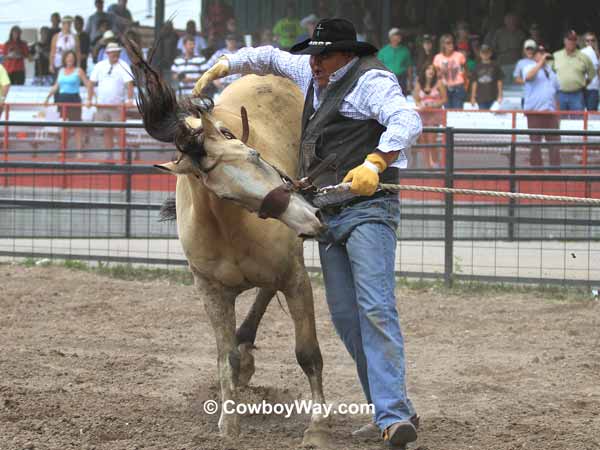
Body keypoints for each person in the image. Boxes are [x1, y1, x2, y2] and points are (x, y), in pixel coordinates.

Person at [192, 17, 422, 448]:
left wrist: (376, 163)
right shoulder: (311, 72)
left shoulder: (371, 82)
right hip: (330, 215)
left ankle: (391, 417)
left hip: (369, 209)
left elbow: (406, 119)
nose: (314, 63)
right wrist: (224, 66)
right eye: (313, 55)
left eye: (323, 55)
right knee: (347, 317)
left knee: (374, 308)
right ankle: (391, 410)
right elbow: (268, 57)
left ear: (346, 56)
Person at [88, 42, 134, 157]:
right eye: (113, 52)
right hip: (102, 105)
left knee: (120, 131)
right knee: (106, 131)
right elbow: (91, 82)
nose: (116, 54)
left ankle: (123, 157)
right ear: (108, 53)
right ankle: (110, 157)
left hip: (117, 105)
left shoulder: (124, 65)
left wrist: (129, 99)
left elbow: (129, 83)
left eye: (117, 52)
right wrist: (89, 99)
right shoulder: (99, 65)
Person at [44, 50, 91, 156]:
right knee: (64, 127)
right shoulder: (61, 71)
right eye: (68, 57)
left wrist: (89, 99)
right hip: (62, 99)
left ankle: (79, 151)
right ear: (64, 59)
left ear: (74, 59)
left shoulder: (79, 70)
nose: (70, 59)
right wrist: (47, 98)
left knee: (77, 126)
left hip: (74, 99)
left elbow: (88, 84)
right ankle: (63, 150)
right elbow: (56, 86)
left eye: (72, 57)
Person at [521, 45, 560, 167]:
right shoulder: (528, 67)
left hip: (550, 112)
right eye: (540, 53)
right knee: (535, 144)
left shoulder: (551, 71)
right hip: (535, 112)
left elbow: (556, 91)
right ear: (535, 55)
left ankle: (555, 171)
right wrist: (540, 63)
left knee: (554, 144)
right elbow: (528, 77)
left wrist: (557, 113)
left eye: (544, 53)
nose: (543, 55)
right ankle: (536, 172)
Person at [413, 63, 447, 168]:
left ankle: (436, 163)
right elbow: (416, 99)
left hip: (434, 115)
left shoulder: (439, 83)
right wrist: (420, 105)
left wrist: (435, 104)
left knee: (432, 139)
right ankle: (427, 165)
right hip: (423, 115)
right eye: (428, 68)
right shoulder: (419, 83)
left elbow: (445, 98)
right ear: (424, 71)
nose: (430, 71)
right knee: (423, 141)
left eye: (432, 69)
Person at [552, 30, 595, 111]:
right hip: (560, 94)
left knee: (578, 121)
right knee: (559, 121)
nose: (572, 41)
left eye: (574, 39)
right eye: (569, 39)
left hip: (577, 94)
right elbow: (550, 73)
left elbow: (592, 73)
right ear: (564, 40)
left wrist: (584, 84)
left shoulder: (584, 57)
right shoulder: (556, 55)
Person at [485, 12, 526, 84]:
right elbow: (492, 48)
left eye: (513, 20)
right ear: (505, 21)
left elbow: (524, 50)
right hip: (502, 63)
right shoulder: (499, 33)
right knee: (503, 84)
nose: (511, 22)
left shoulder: (521, 34)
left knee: (516, 85)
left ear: (516, 21)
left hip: (516, 63)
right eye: (508, 20)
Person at [433, 33, 467, 108]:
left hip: (458, 87)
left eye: (452, 42)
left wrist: (465, 85)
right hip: (444, 88)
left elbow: (465, 71)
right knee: (447, 113)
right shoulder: (438, 57)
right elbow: (437, 75)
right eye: (448, 43)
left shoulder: (459, 55)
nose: (451, 45)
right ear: (442, 44)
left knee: (458, 113)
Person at [377, 28, 413, 94]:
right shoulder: (383, 51)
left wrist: (410, 82)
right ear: (390, 37)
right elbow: (377, 67)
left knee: (402, 97)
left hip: (401, 79)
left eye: (400, 35)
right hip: (387, 78)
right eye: (396, 35)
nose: (399, 37)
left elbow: (409, 67)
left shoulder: (405, 51)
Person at [470, 44, 503, 109]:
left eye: (487, 52)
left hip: (493, 97)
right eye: (483, 52)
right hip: (481, 98)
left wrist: (500, 95)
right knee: (484, 117)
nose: (485, 54)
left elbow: (499, 81)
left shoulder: (495, 66)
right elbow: (474, 83)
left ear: (490, 53)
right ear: (480, 54)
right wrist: (473, 97)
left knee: (494, 117)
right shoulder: (476, 67)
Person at [514, 39, 537, 108]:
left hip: (538, 96)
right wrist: (526, 81)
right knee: (526, 116)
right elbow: (516, 78)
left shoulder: (539, 61)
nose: (529, 51)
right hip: (525, 95)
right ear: (524, 50)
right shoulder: (520, 63)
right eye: (527, 49)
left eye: (531, 49)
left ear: (535, 50)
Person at [581, 32, 599, 111]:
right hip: (582, 86)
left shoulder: (598, 55)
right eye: (587, 40)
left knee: (592, 113)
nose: (590, 42)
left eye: (592, 40)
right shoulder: (581, 53)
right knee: (581, 113)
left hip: (594, 87)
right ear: (584, 42)